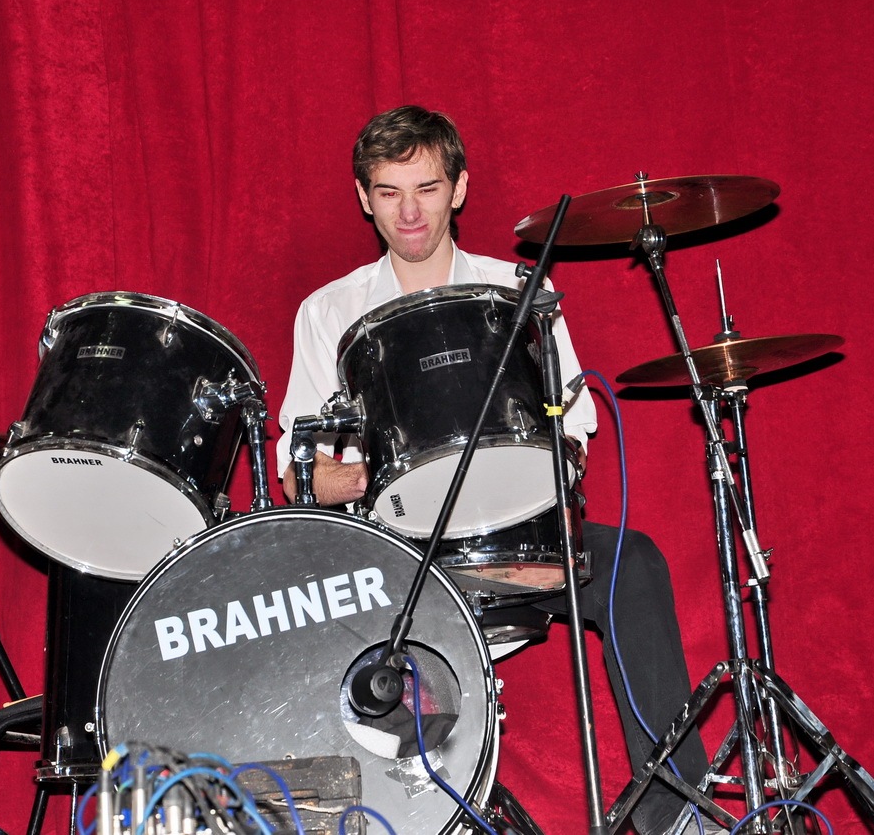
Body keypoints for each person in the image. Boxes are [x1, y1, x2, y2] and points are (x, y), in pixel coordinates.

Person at [275, 105, 719, 835]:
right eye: (389, 192)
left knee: (632, 563)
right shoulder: (330, 312)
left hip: (516, 540)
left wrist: (534, 486)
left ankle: (677, 817)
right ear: (363, 198)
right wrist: (362, 481)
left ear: (459, 188)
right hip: (395, 561)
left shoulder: (517, 292)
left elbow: (574, 428)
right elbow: (299, 472)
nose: (409, 213)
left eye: (426, 188)